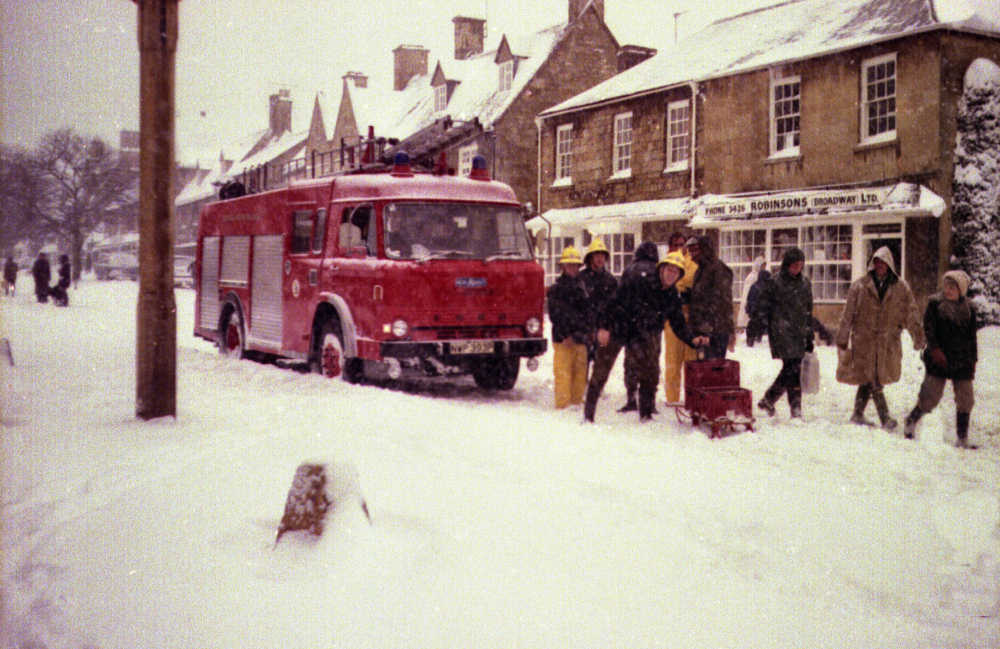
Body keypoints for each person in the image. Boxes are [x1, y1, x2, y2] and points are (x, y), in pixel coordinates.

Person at [585, 242, 702, 422]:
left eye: (676, 272)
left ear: (679, 276)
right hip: (618, 326)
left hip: (641, 333)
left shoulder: (672, 295)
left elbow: (678, 324)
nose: (671, 274)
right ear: (661, 268)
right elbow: (612, 302)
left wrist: (692, 340)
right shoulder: (639, 279)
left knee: (650, 371)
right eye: (669, 269)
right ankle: (588, 415)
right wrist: (603, 327)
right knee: (601, 370)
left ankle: (646, 414)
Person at [836, 246, 924, 430]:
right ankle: (885, 418)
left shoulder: (901, 288)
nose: (879, 266)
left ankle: (858, 414)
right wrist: (842, 337)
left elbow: (911, 313)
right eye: (876, 262)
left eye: (883, 262)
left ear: (889, 264)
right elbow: (848, 313)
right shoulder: (860, 286)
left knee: (871, 377)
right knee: (872, 377)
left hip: (887, 342)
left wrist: (918, 336)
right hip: (864, 340)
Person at [902, 270, 979, 447]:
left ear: (961, 289)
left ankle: (962, 437)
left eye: (953, 287)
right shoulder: (935, 305)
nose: (949, 290)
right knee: (930, 396)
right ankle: (911, 421)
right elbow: (929, 329)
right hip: (939, 358)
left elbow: (971, 338)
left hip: (962, 360)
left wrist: (973, 360)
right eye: (947, 285)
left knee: (966, 399)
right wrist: (935, 350)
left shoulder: (969, 309)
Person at [752, 248, 814, 418]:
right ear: (787, 265)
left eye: (800, 265)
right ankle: (794, 408)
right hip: (781, 332)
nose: (797, 269)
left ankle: (770, 399)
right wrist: (761, 323)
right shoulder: (775, 282)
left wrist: (810, 334)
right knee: (792, 368)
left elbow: (809, 310)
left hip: (799, 332)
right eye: (794, 265)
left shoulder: (805, 283)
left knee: (792, 369)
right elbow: (764, 305)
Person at [546, 246, 590, 409]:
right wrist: (566, 335)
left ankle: (577, 405)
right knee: (563, 375)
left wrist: (583, 333)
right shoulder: (556, 289)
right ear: (563, 267)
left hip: (580, 339)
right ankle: (563, 408)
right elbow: (556, 315)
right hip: (563, 339)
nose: (573, 268)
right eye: (569, 264)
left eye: (575, 265)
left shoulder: (582, 288)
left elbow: (587, 313)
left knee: (580, 375)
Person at [662, 231, 698, 404]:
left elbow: (693, 283)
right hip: (672, 318)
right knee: (672, 361)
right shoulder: (665, 263)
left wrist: (684, 290)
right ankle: (672, 398)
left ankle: (692, 398)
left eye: (681, 244)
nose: (679, 247)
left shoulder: (692, 263)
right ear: (670, 246)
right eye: (675, 244)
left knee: (691, 360)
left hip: (690, 316)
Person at [685, 235, 734, 359]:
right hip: (702, 331)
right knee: (704, 371)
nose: (692, 255)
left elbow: (722, 303)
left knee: (712, 370)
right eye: (690, 251)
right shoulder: (701, 270)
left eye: (695, 250)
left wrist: (709, 331)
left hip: (715, 332)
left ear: (706, 249)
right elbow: (702, 297)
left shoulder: (719, 270)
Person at [744, 266, 772, 347]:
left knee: (753, 325)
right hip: (763, 311)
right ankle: (757, 338)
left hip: (756, 311)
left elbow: (750, 298)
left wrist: (750, 309)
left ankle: (751, 339)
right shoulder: (768, 286)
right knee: (761, 326)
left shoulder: (755, 286)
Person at [737, 256, 766, 331]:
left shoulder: (761, 276)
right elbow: (748, 292)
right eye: (762, 266)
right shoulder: (752, 277)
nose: (764, 268)